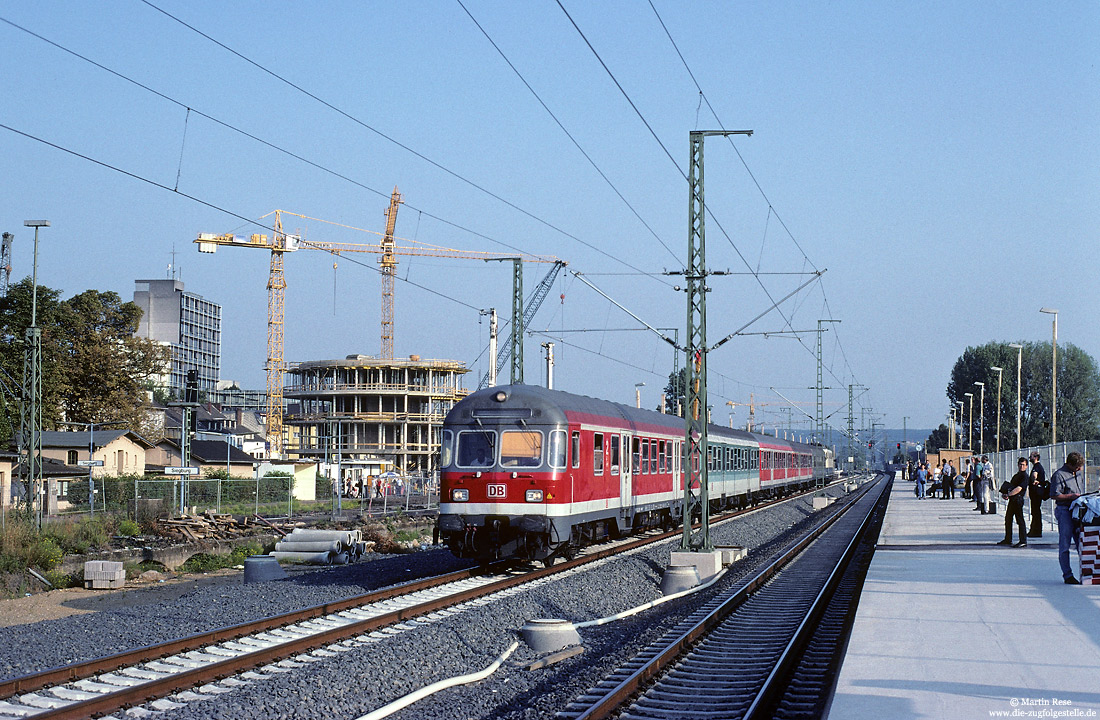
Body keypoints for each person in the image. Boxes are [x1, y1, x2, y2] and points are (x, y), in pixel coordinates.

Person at [1049, 451, 1086, 584]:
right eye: (1077, 467)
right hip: (1065, 510)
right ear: (1070, 464)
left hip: (1078, 510)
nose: (1079, 469)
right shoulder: (1059, 475)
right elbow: (1054, 495)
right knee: (1065, 543)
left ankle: (1087, 572)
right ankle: (1067, 575)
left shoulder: (1079, 473)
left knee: (1082, 542)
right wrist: (1071, 496)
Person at [997, 458, 1029, 546]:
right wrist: (1005, 493)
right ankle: (1008, 539)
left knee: (1020, 520)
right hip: (1012, 500)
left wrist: (1009, 494)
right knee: (1008, 519)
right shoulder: (1016, 476)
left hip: (1018, 500)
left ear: (1026, 466)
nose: (1021, 466)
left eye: (1023, 465)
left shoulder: (1024, 476)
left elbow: (1019, 488)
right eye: (1020, 464)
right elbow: (1011, 486)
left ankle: (1023, 541)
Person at [1028, 451, 1048, 538]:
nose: (1030, 458)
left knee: (1036, 511)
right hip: (1036, 493)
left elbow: (1034, 475)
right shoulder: (1038, 466)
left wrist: (1034, 480)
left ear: (1036, 457)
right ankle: (1034, 529)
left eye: (1031, 456)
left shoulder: (1037, 466)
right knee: (1035, 511)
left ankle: (1036, 530)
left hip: (1036, 493)